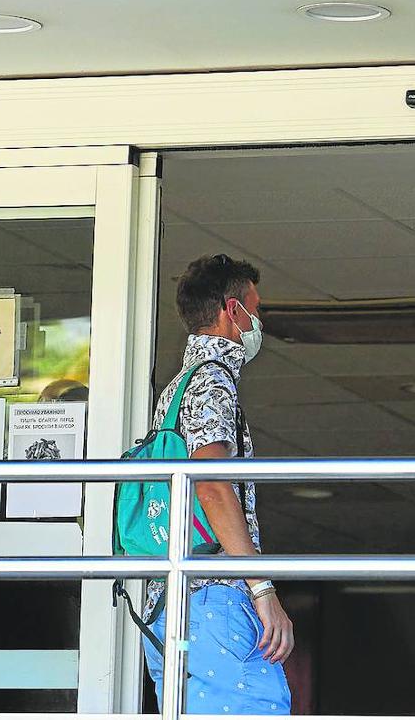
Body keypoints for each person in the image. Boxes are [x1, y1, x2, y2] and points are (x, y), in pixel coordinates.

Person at [142, 254, 295, 715]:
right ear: (233, 310)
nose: (258, 320)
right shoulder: (212, 382)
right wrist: (263, 590)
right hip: (212, 601)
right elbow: (209, 484)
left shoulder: (176, 388)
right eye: (255, 308)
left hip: (166, 605)